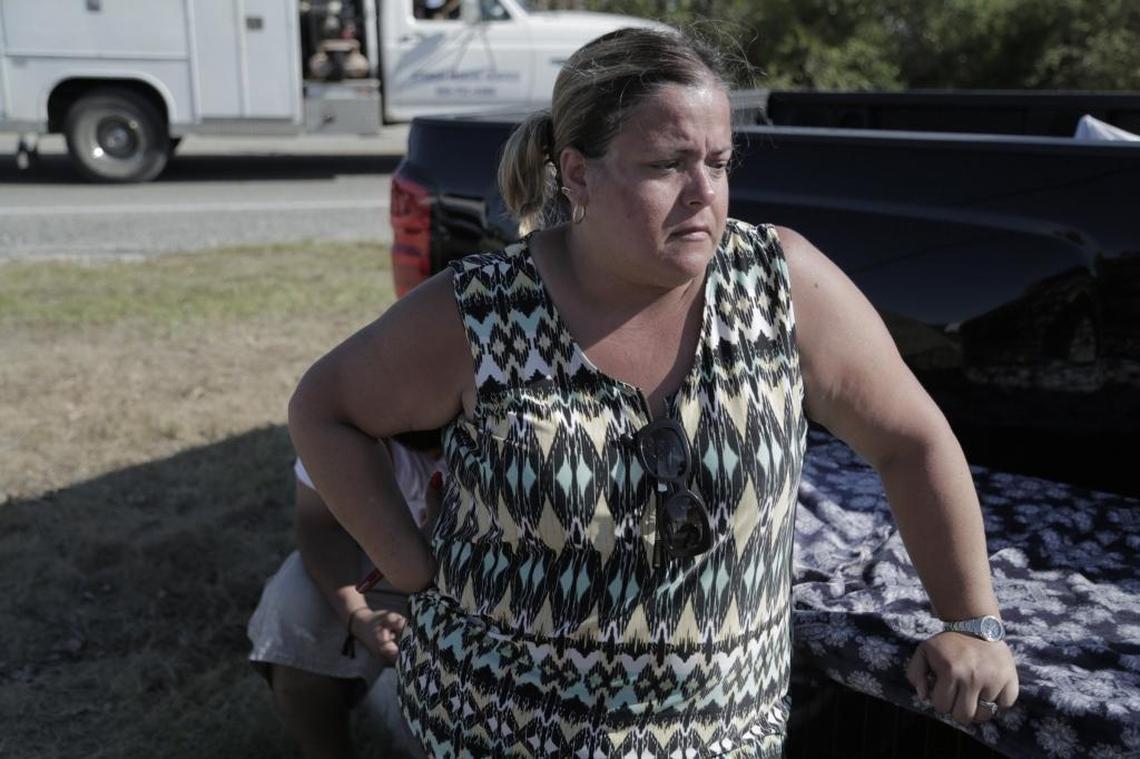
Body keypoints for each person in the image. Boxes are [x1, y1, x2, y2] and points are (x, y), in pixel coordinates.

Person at [288, 27, 1019, 756]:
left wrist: (971, 619)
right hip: (495, 729)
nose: (705, 193)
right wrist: (411, 565)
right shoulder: (481, 312)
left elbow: (910, 438)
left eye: (720, 162)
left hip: (725, 734)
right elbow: (323, 410)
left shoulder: (781, 284)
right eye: (668, 164)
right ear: (578, 175)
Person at [247, 433, 440, 758]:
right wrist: (357, 615)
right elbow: (318, 525)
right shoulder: (339, 409)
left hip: (498, 582)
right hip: (385, 566)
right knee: (295, 604)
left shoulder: (511, 408)